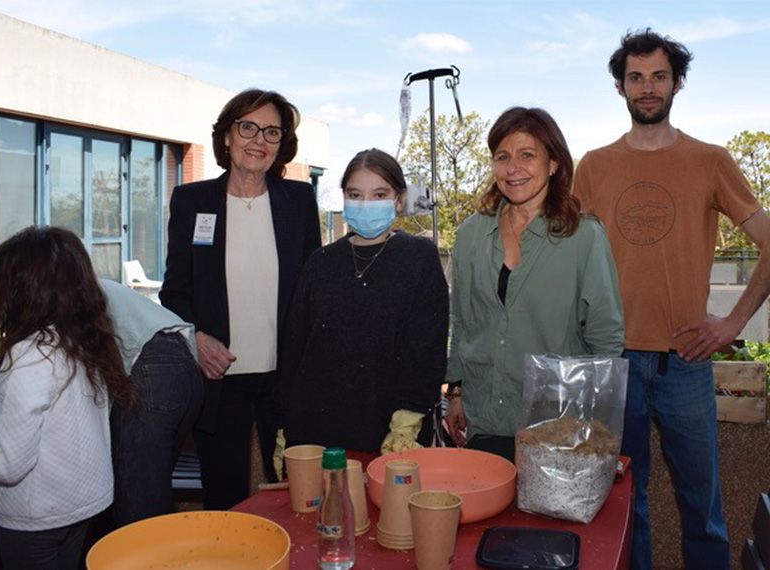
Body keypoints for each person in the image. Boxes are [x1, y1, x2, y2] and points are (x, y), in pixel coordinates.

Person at [574, 29, 770, 570]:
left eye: (659, 76)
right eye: (636, 77)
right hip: (614, 362)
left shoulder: (710, 160)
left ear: (677, 82)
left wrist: (733, 322)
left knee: (701, 507)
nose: (648, 87)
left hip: (687, 359)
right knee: (624, 504)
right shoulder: (593, 165)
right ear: (620, 87)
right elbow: (563, 251)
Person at [160, 88, 321, 509]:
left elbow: (311, 290)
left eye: (272, 132)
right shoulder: (193, 202)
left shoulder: (298, 201)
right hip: (219, 377)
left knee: (293, 497)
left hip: (284, 379)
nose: (258, 140)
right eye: (247, 127)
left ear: (282, 144)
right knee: (226, 499)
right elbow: (175, 290)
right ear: (227, 136)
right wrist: (194, 337)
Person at [443, 107, 624, 461]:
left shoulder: (584, 236)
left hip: (557, 426)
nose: (513, 168)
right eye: (503, 157)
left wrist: (587, 426)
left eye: (527, 155)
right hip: (483, 420)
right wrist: (456, 394)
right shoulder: (470, 234)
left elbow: (606, 339)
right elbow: (463, 323)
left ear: (554, 163)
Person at [0, 226, 133, 570]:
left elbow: (6, 463)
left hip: (37, 516)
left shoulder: (27, 356)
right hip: (84, 504)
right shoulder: (84, 340)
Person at [280, 148, 449, 461]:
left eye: (379, 194)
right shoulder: (321, 262)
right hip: (317, 431)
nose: (365, 204)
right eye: (355, 194)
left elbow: (426, 349)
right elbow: (296, 349)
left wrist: (407, 421)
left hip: (390, 429)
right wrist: (284, 425)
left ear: (399, 200)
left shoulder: (418, 257)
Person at [99, 279, 204, 527]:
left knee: (138, 510)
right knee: (152, 494)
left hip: (150, 371)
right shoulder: (97, 285)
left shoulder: (59, 295)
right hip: (187, 366)